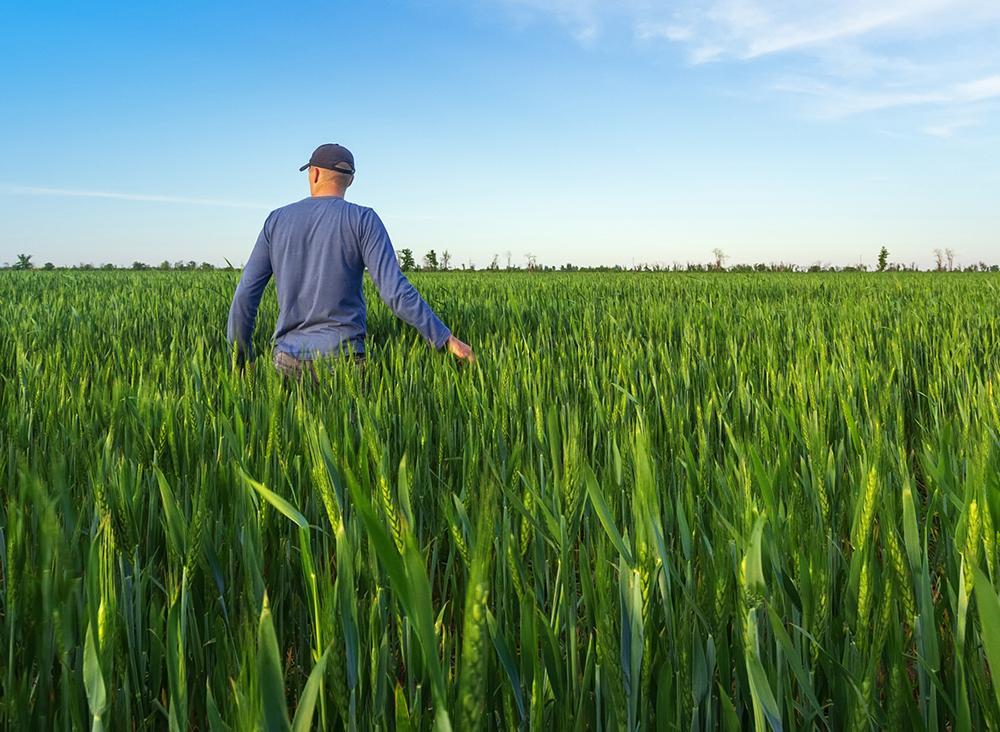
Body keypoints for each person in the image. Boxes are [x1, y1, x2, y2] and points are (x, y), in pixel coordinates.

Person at [226, 143, 475, 380]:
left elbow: (246, 295)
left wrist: (239, 362)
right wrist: (444, 338)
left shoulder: (276, 220)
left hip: (287, 360)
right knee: (348, 425)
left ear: (313, 174)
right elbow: (395, 291)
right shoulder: (364, 220)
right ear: (351, 180)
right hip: (345, 362)